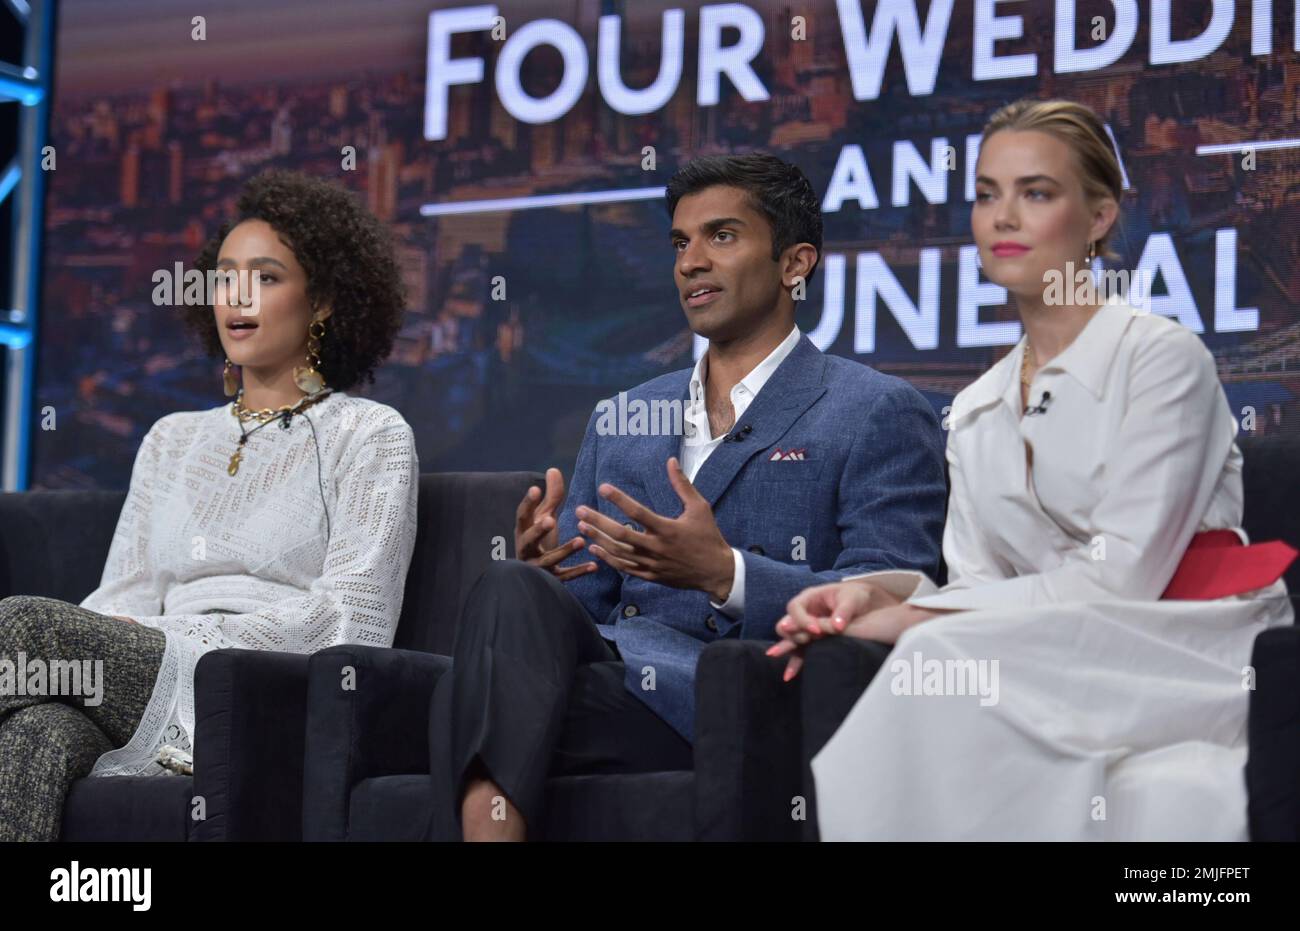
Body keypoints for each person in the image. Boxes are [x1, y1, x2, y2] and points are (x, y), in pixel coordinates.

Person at [770, 99, 1295, 841]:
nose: (1002, 217)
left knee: (933, 651)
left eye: (1036, 192)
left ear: (1100, 215)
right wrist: (868, 594)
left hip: (1186, 640)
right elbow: (983, 591)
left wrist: (910, 619)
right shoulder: (978, 405)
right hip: (1049, 651)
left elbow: (1121, 579)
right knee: (937, 654)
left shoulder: (1162, 358)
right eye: (987, 194)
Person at [427, 153, 948, 841]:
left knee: (456, 706)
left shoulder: (874, 409)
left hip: (728, 695)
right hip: (605, 679)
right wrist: (551, 576)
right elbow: (589, 613)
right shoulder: (623, 414)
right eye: (680, 242)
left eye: (722, 237)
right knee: (507, 587)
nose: (691, 261)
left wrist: (724, 573)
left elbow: (895, 593)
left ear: (795, 263)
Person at [0, 169, 420, 841]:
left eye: (267, 276)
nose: (237, 295)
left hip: (261, 690)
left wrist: (191, 642)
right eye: (224, 276)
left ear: (325, 303)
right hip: (142, 681)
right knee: (33, 733)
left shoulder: (369, 434)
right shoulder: (172, 438)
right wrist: (124, 646)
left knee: (19, 629)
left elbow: (353, 623)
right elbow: (123, 594)